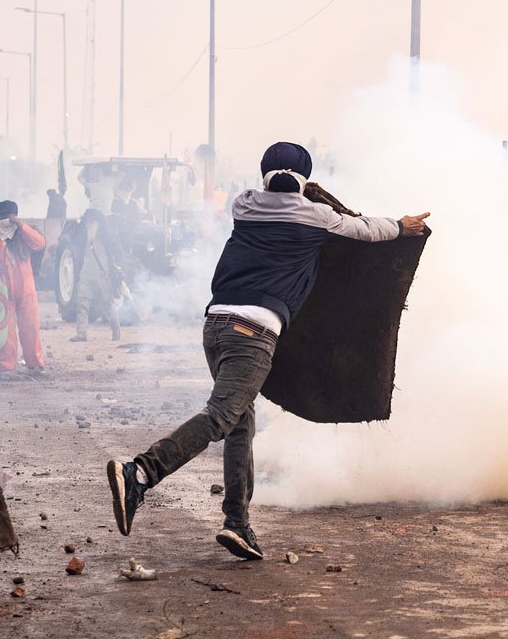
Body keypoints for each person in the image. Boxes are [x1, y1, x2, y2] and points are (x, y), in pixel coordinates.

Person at [104, 142, 430, 561]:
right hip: (253, 330)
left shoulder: (244, 205)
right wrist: (402, 227)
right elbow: (364, 229)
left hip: (216, 324)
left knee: (240, 423)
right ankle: (141, 472)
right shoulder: (315, 216)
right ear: (304, 180)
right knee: (221, 416)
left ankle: (237, 523)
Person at [0, 200, 47, 378]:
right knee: (4, 329)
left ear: (15, 216)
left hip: (27, 288)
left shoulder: (24, 232)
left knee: (30, 326)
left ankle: (35, 365)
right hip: (2, 288)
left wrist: (22, 226)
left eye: (8, 217)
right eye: (1, 217)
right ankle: (7, 368)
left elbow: (39, 243)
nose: (5, 221)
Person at [71, 209, 123, 342]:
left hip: (102, 276)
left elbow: (118, 256)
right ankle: (81, 333)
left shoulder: (107, 238)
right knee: (82, 303)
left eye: (92, 223)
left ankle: (116, 331)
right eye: (87, 223)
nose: (89, 225)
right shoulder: (86, 238)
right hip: (86, 276)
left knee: (108, 305)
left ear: (99, 224)